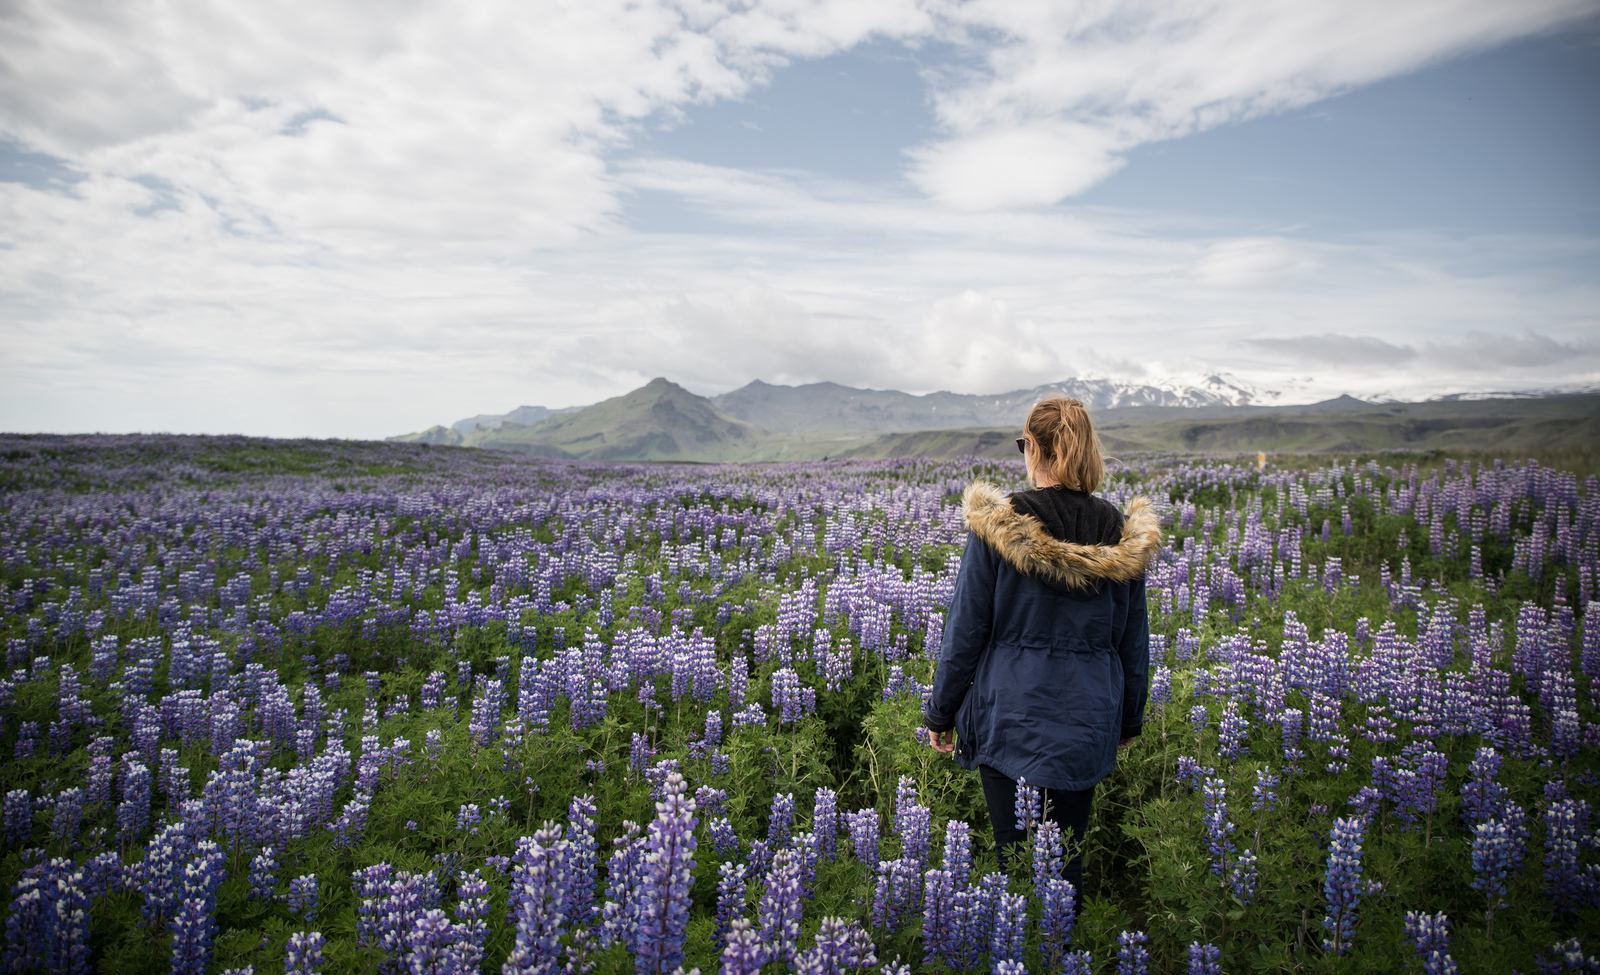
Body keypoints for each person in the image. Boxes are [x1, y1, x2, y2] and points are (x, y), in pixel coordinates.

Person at [923, 395, 1161, 895]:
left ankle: (1020, 934)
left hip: (1009, 716)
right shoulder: (1120, 534)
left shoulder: (997, 526)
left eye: (1023, 444)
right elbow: (1132, 642)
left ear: (1033, 447)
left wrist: (940, 712)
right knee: (1064, 865)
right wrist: (1129, 719)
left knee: (1015, 864)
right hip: (1087, 719)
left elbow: (965, 632)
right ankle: (1060, 936)